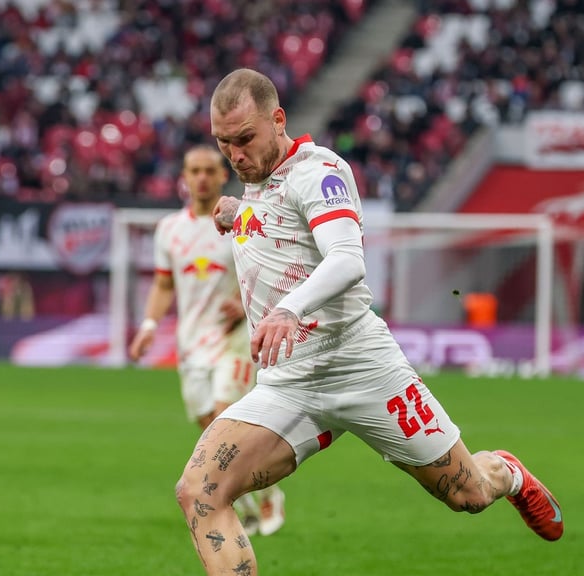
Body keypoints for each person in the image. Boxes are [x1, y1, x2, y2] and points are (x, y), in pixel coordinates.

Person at [174, 68, 564, 575]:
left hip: (363, 368)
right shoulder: (257, 185)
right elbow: (274, 225)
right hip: (289, 383)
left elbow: (345, 259)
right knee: (200, 493)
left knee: (468, 494)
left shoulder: (319, 172)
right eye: (225, 143)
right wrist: (237, 214)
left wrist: (291, 308)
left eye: (245, 139)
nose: (236, 155)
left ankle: (506, 473)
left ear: (278, 119)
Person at [131, 145, 286, 537]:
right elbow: (165, 283)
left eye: (208, 170)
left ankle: (259, 498)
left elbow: (273, 266)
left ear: (222, 175)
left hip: (234, 341)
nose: (201, 177)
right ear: (184, 177)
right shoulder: (170, 229)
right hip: (191, 344)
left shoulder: (242, 220)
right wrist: (149, 324)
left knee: (223, 417)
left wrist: (243, 301)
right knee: (209, 429)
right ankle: (254, 501)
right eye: (193, 170)